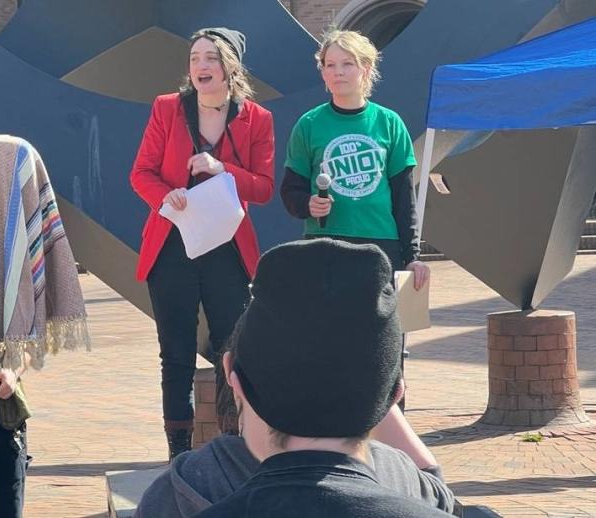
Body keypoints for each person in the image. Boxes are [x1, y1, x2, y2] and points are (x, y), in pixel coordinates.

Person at [194, 239, 451, 517]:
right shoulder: (408, 483)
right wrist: (374, 381)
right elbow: (435, 492)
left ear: (235, 380)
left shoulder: (180, 488)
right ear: (395, 394)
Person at [129, 27, 275, 459]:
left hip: (226, 250)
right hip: (172, 246)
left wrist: (222, 168)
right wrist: (164, 196)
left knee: (232, 350)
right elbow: (141, 174)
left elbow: (264, 188)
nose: (200, 66)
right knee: (175, 354)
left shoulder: (257, 119)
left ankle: (235, 444)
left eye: (210, 57)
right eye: (194, 58)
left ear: (231, 66)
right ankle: (178, 452)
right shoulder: (167, 108)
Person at [134, 331, 456, 518]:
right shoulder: (393, 473)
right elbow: (440, 496)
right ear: (388, 395)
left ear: (235, 381)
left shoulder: (183, 486)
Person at [279, 30, 429, 290]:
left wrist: (412, 257)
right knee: (327, 329)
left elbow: (405, 198)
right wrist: (307, 204)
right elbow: (291, 191)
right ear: (323, 73)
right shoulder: (308, 124)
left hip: (381, 245)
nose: (338, 72)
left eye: (348, 64)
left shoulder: (389, 123)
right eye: (330, 65)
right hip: (324, 244)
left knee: (381, 330)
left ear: (366, 69)